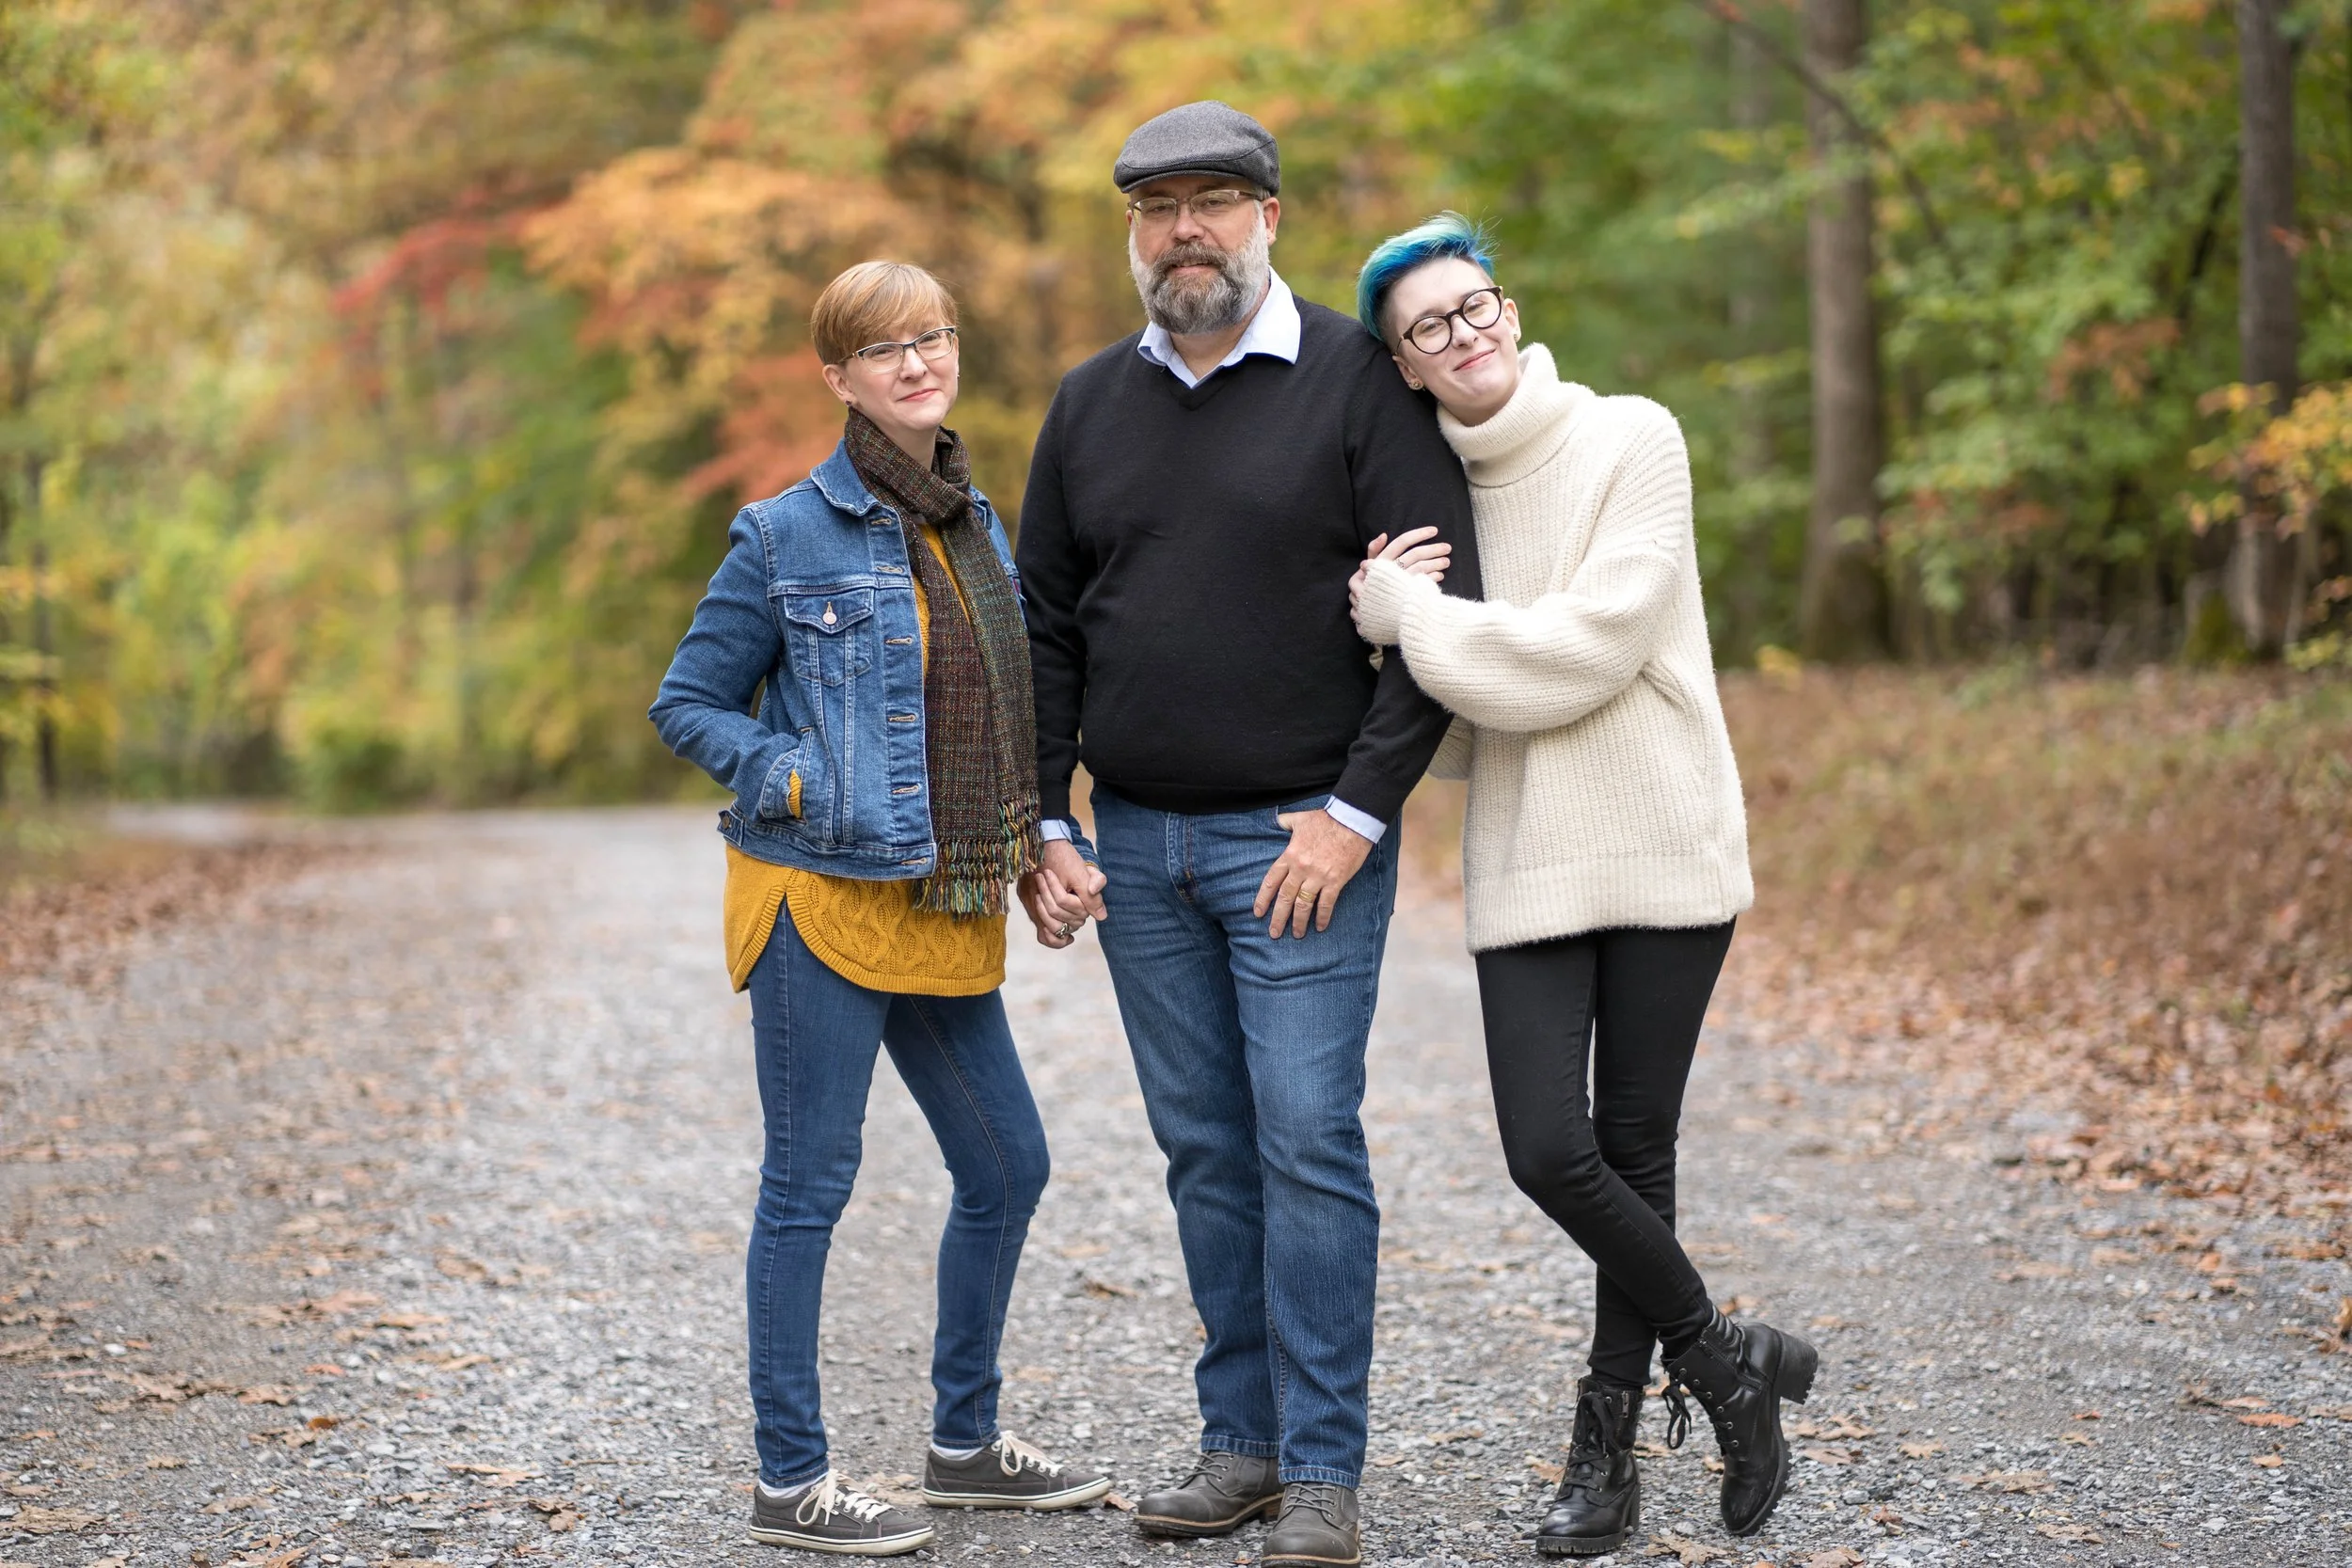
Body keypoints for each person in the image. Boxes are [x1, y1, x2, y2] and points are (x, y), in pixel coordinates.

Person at [1011, 103, 1481, 1568]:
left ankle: (1326, 1471)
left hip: (1301, 848)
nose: (1185, 230)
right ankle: (1244, 1446)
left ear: (1270, 216)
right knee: (1206, 1149)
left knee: (1306, 1141)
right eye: (1157, 209)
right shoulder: (1089, 406)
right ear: (1133, 235)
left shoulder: (1360, 384)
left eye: (1213, 201)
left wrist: (1354, 818)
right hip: (1138, 853)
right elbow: (1044, 627)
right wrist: (1042, 812)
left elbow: (1434, 628)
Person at [1345, 215, 1819, 1558]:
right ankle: (1728, 1362)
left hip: (1665, 834)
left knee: (1635, 1147)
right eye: (1429, 327)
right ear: (1407, 367)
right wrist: (1412, 635)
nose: (1466, 332)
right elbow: (1447, 720)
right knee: (1548, 1148)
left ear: (1509, 304)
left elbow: (1587, 647)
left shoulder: (1632, 435)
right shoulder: (1425, 495)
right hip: (1528, 850)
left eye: (1476, 303)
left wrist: (1419, 623)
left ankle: (1603, 1458)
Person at [649, 261, 1110, 1557]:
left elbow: (997, 707)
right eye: (883, 347)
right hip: (820, 896)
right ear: (838, 376)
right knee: (810, 1183)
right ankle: (790, 1478)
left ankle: (963, 1443)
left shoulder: (975, 521)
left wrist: (1031, 848)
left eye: (933, 337)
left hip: (938, 890)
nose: (916, 362)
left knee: (1008, 1160)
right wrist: (787, 770)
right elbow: (688, 703)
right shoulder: (782, 532)